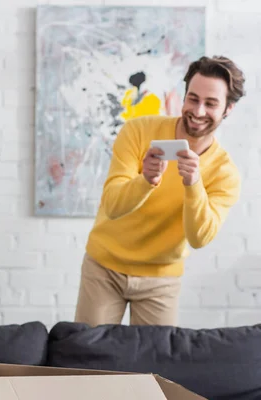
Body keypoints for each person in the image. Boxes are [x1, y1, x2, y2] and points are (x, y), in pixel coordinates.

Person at [74, 55, 244, 327]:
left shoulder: (225, 173)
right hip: (104, 267)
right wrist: (146, 179)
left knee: (154, 366)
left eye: (211, 103)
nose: (198, 111)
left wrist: (193, 184)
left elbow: (199, 238)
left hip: (161, 280)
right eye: (193, 98)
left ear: (228, 109)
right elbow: (112, 205)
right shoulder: (138, 131)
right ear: (184, 95)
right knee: (88, 357)